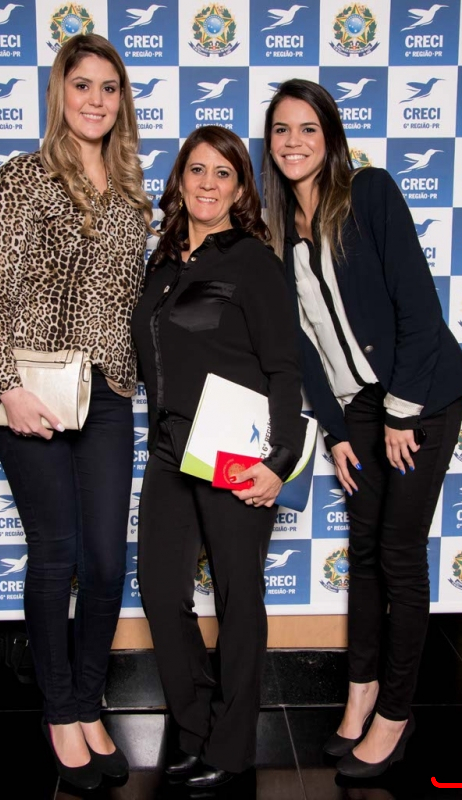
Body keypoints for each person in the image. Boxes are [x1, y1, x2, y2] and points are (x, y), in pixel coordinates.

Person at [262, 78, 462, 778]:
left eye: (308, 129)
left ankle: (396, 715)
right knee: (364, 554)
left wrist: (401, 413)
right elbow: (302, 350)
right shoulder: (278, 237)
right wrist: (337, 430)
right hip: (357, 407)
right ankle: (360, 695)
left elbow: (419, 308)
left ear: (330, 139)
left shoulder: (370, 194)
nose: (294, 142)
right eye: (282, 130)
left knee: (399, 554)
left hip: (421, 396)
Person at [0, 34, 151, 791]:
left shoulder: (134, 193)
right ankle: (60, 713)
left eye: (109, 87)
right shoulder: (23, 177)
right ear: (59, 92)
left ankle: (86, 700)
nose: (95, 100)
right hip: (34, 388)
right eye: (83, 85)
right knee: (56, 555)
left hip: (107, 392)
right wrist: (6, 387)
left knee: (106, 560)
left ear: (121, 99)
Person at [131, 126, 307, 789]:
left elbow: (284, 368)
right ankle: (196, 727)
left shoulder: (254, 262)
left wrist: (279, 460)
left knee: (238, 597)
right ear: (179, 180)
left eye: (222, 173)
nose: (207, 183)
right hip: (169, 450)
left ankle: (231, 749)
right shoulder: (163, 261)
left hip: (234, 452)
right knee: (159, 591)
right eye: (196, 170)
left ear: (240, 189)